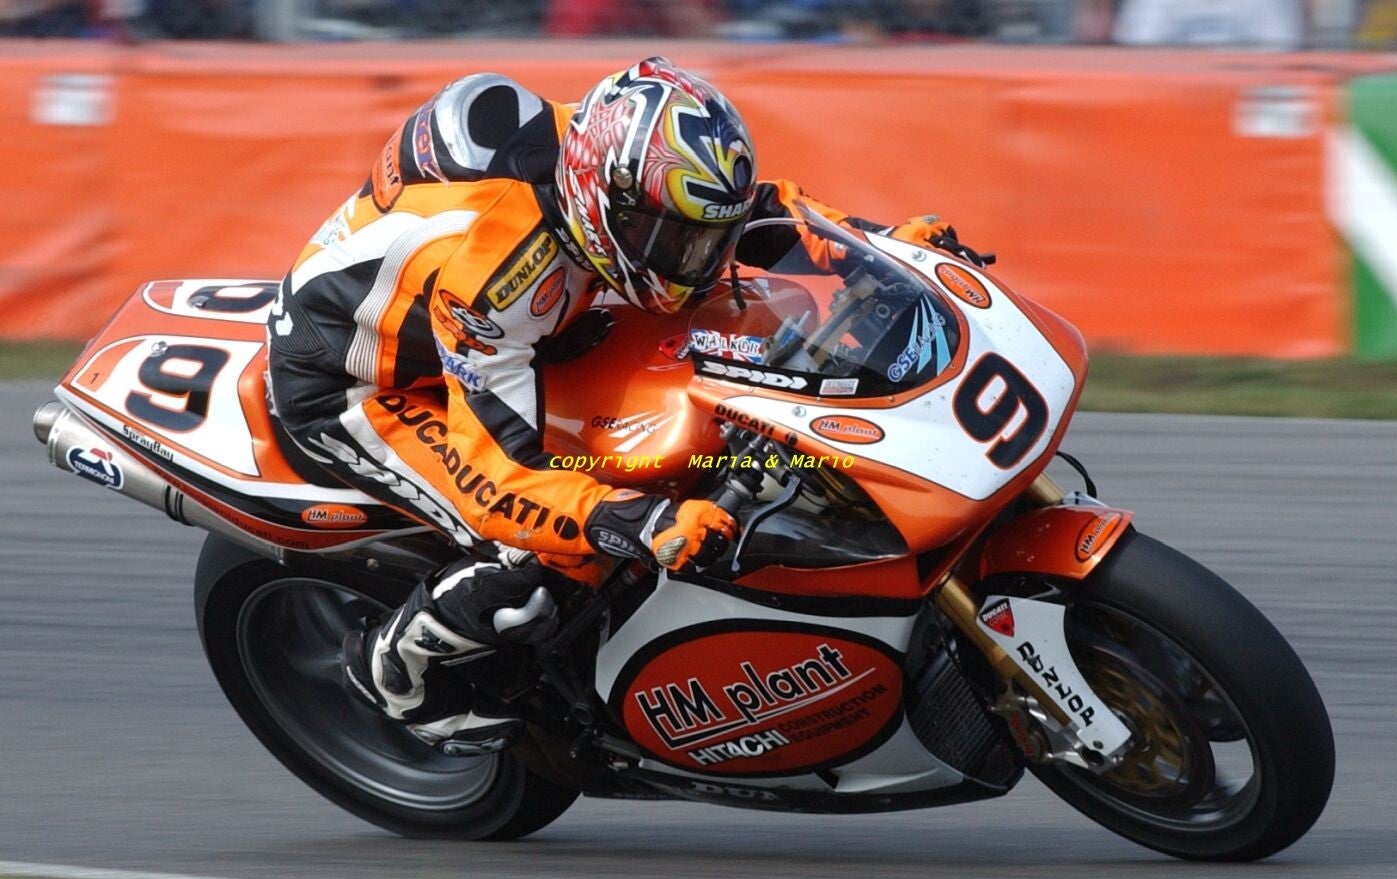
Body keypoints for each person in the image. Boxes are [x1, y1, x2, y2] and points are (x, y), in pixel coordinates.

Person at [266, 56, 962, 756]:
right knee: (540, 553)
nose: (698, 262)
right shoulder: (496, 276)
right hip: (360, 385)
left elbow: (756, 211)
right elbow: (498, 477)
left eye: (701, 240)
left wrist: (875, 247)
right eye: (676, 244)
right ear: (603, 213)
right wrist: (644, 523)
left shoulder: (613, 164)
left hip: (504, 337)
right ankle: (394, 668)